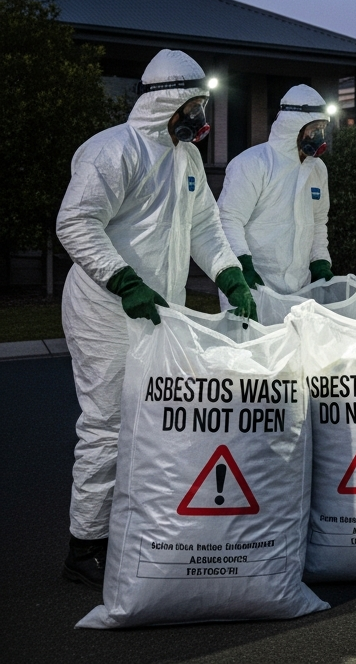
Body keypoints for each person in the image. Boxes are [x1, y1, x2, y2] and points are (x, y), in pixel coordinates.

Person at [55, 49, 257, 587]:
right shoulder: (112, 151)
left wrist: (228, 274)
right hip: (105, 309)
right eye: (193, 103)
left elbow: (206, 229)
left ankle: (133, 530)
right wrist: (122, 280)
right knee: (107, 424)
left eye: (202, 105)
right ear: (165, 101)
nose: (198, 115)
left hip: (157, 312)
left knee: (154, 425)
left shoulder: (186, 158)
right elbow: (75, 224)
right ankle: (86, 545)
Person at [218, 85, 338, 298]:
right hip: (254, 285)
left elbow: (318, 222)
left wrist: (320, 261)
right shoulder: (253, 163)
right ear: (293, 126)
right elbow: (228, 220)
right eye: (313, 129)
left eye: (322, 128)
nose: (318, 135)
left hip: (300, 288)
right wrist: (242, 266)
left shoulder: (317, 169)